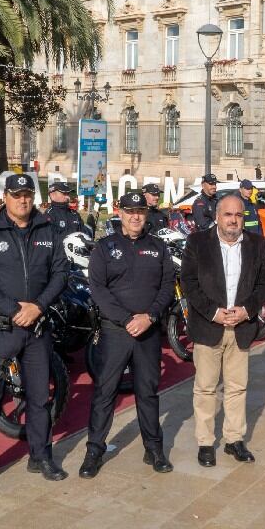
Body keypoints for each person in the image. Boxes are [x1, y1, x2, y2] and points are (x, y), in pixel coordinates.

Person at [0, 174, 69, 493]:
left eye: (27, 194)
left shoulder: (48, 230)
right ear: (5, 198)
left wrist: (38, 306)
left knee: (39, 398)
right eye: (16, 195)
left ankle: (41, 456)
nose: (22, 200)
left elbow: (60, 273)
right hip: (1, 329)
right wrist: (15, 309)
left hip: (37, 328)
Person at [80, 191, 176, 478]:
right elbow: (98, 289)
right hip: (115, 332)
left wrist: (150, 317)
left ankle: (154, 448)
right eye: (130, 211)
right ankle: (94, 451)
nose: (135, 216)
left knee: (147, 391)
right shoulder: (105, 247)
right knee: (105, 393)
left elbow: (167, 285)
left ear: (146, 215)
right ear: (119, 212)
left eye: (141, 212)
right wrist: (126, 319)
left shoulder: (158, 247)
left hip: (147, 332)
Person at [179, 193, 265, 467]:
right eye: (228, 215)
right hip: (209, 326)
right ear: (217, 217)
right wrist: (213, 312)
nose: (233, 220)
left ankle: (234, 439)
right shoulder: (197, 243)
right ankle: (205, 443)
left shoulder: (256, 243)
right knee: (206, 388)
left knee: (237, 388)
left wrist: (247, 310)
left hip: (242, 326)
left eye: (238, 215)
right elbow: (189, 282)